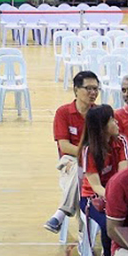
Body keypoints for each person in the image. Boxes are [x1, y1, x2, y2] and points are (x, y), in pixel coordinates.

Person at [43, 71, 100, 234]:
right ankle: (81, 231)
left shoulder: (99, 113)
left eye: (96, 89)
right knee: (79, 170)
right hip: (69, 160)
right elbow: (65, 146)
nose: (93, 93)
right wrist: (86, 155)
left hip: (93, 161)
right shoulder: (64, 112)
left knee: (83, 173)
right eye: (88, 88)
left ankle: (61, 215)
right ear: (76, 90)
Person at [81, 104, 128, 256]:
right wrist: (114, 198)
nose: (117, 123)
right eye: (112, 120)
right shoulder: (89, 150)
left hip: (117, 193)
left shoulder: (121, 141)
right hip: (93, 198)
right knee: (108, 223)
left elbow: (123, 174)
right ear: (102, 126)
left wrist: (121, 197)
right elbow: (95, 186)